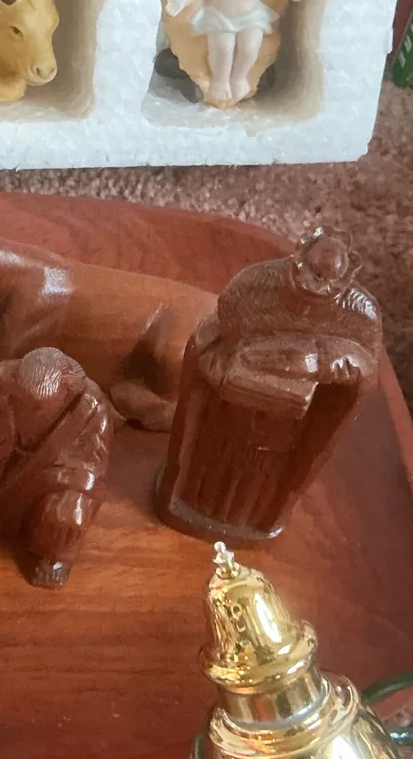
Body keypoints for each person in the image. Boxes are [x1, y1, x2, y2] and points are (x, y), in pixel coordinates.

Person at [156, 227, 382, 542]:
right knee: (208, 478)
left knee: (252, 492)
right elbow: (212, 339)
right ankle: (188, 504)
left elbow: (363, 368)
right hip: (226, 418)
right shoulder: (254, 285)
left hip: (283, 436)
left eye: (326, 283)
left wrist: (322, 360)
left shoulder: (359, 313)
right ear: (299, 258)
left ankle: (253, 523)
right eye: (309, 275)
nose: (314, 288)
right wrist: (232, 371)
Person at [0, 347, 114, 587]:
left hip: (50, 482)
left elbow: (91, 468)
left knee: (68, 512)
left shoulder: (90, 409)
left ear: (65, 394)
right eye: (20, 401)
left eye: (38, 407)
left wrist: (54, 481)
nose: (25, 411)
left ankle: (52, 559)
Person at [164, 0, 307, 104]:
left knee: (250, 48)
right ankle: (220, 80)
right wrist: (181, 0)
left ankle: (239, 78)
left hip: (251, 16)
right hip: (220, 18)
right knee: (222, 49)